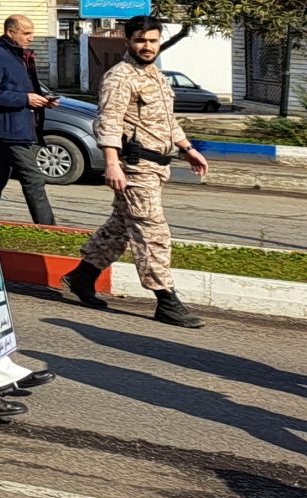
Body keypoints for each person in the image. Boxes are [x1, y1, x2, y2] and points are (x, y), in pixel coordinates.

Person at [68, 16, 208, 329]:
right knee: (152, 231)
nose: (147, 47)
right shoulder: (120, 76)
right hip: (134, 167)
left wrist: (187, 149)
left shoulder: (155, 74)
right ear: (128, 41)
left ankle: (82, 276)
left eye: (153, 41)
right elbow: (108, 121)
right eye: (140, 41)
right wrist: (112, 163)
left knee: (120, 228)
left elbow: (167, 121)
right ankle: (166, 299)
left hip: (157, 165)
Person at [0, 13, 60, 226]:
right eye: (26, 33)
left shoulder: (18, 56)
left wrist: (42, 99)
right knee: (34, 179)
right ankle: (48, 229)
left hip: (19, 127)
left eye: (32, 33)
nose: (31, 38)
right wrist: (25, 99)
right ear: (9, 32)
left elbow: (21, 89)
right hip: (9, 130)